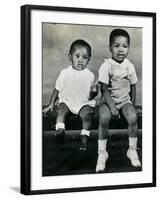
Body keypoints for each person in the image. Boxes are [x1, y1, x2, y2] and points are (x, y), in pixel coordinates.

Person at [96, 29, 141, 172]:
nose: (121, 50)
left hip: (124, 100)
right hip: (108, 101)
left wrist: (131, 104)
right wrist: (112, 108)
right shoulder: (106, 65)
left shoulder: (129, 65)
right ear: (110, 48)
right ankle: (102, 153)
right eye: (117, 46)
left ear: (128, 47)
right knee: (103, 118)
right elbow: (103, 88)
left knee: (133, 117)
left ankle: (132, 149)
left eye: (125, 46)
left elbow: (133, 85)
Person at [43, 39, 98, 150]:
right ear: (70, 56)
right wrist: (51, 104)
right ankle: (60, 130)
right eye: (77, 56)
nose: (81, 60)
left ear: (89, 60)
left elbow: (92, 94)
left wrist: (94, 92)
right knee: (62, 109)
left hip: (83, 103)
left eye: (85, 57)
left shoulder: (90, 75)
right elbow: (57, 89)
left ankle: (84, 136)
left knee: (87, 114)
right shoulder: (65, 73)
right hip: (68, 102)